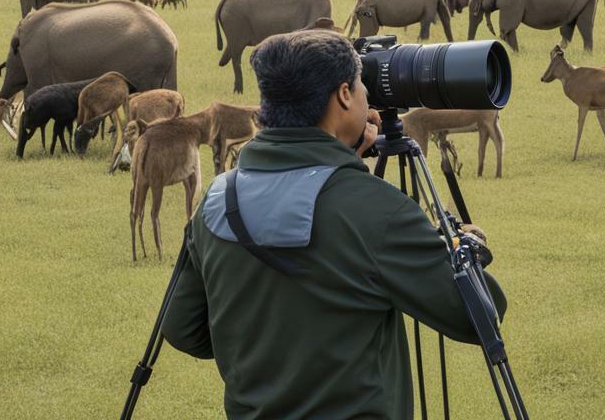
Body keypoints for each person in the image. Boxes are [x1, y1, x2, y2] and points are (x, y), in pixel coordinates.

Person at [161, 29, 507, 420]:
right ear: (344, 95)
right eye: (362, 85)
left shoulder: (217, 199)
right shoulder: (377, 211)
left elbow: (182, 329)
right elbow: (481, 314)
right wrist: (462, 244)